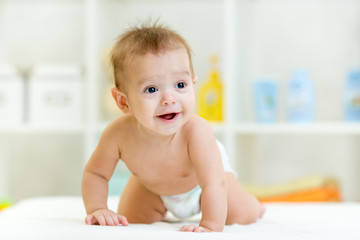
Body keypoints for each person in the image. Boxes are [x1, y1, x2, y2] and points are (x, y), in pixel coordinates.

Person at [81, 22, 265, 232]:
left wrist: (209, 226)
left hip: (204, 185)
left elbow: (213, 184)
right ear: (123, 101)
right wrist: (98, 209)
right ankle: (156, 206)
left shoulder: (197, 131)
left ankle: (255, 205)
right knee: (131, 220)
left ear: (192, 84)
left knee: (242, 215)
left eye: (180, 85)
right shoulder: (118, 134)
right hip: (150, 187)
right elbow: (96, 174)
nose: (169, 99)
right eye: (151, 89)